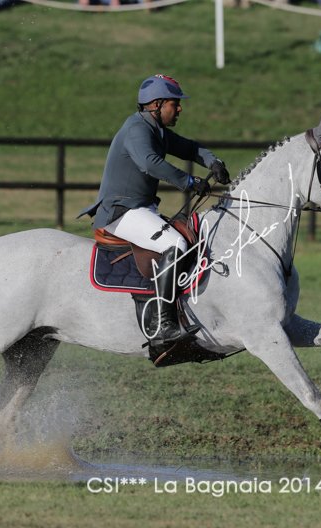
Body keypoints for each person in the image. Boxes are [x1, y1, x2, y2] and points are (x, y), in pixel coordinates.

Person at [80, 74, 231, 347]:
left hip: (138, 209)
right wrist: (189, 181)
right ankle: (163, 325)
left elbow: (190, 148)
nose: (180, 108)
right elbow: (150, 163)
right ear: (156, 104)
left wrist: (214, 161)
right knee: (176, 244)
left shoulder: (156, 130)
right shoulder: (137, 129)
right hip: (120, 212)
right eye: (175, 103)